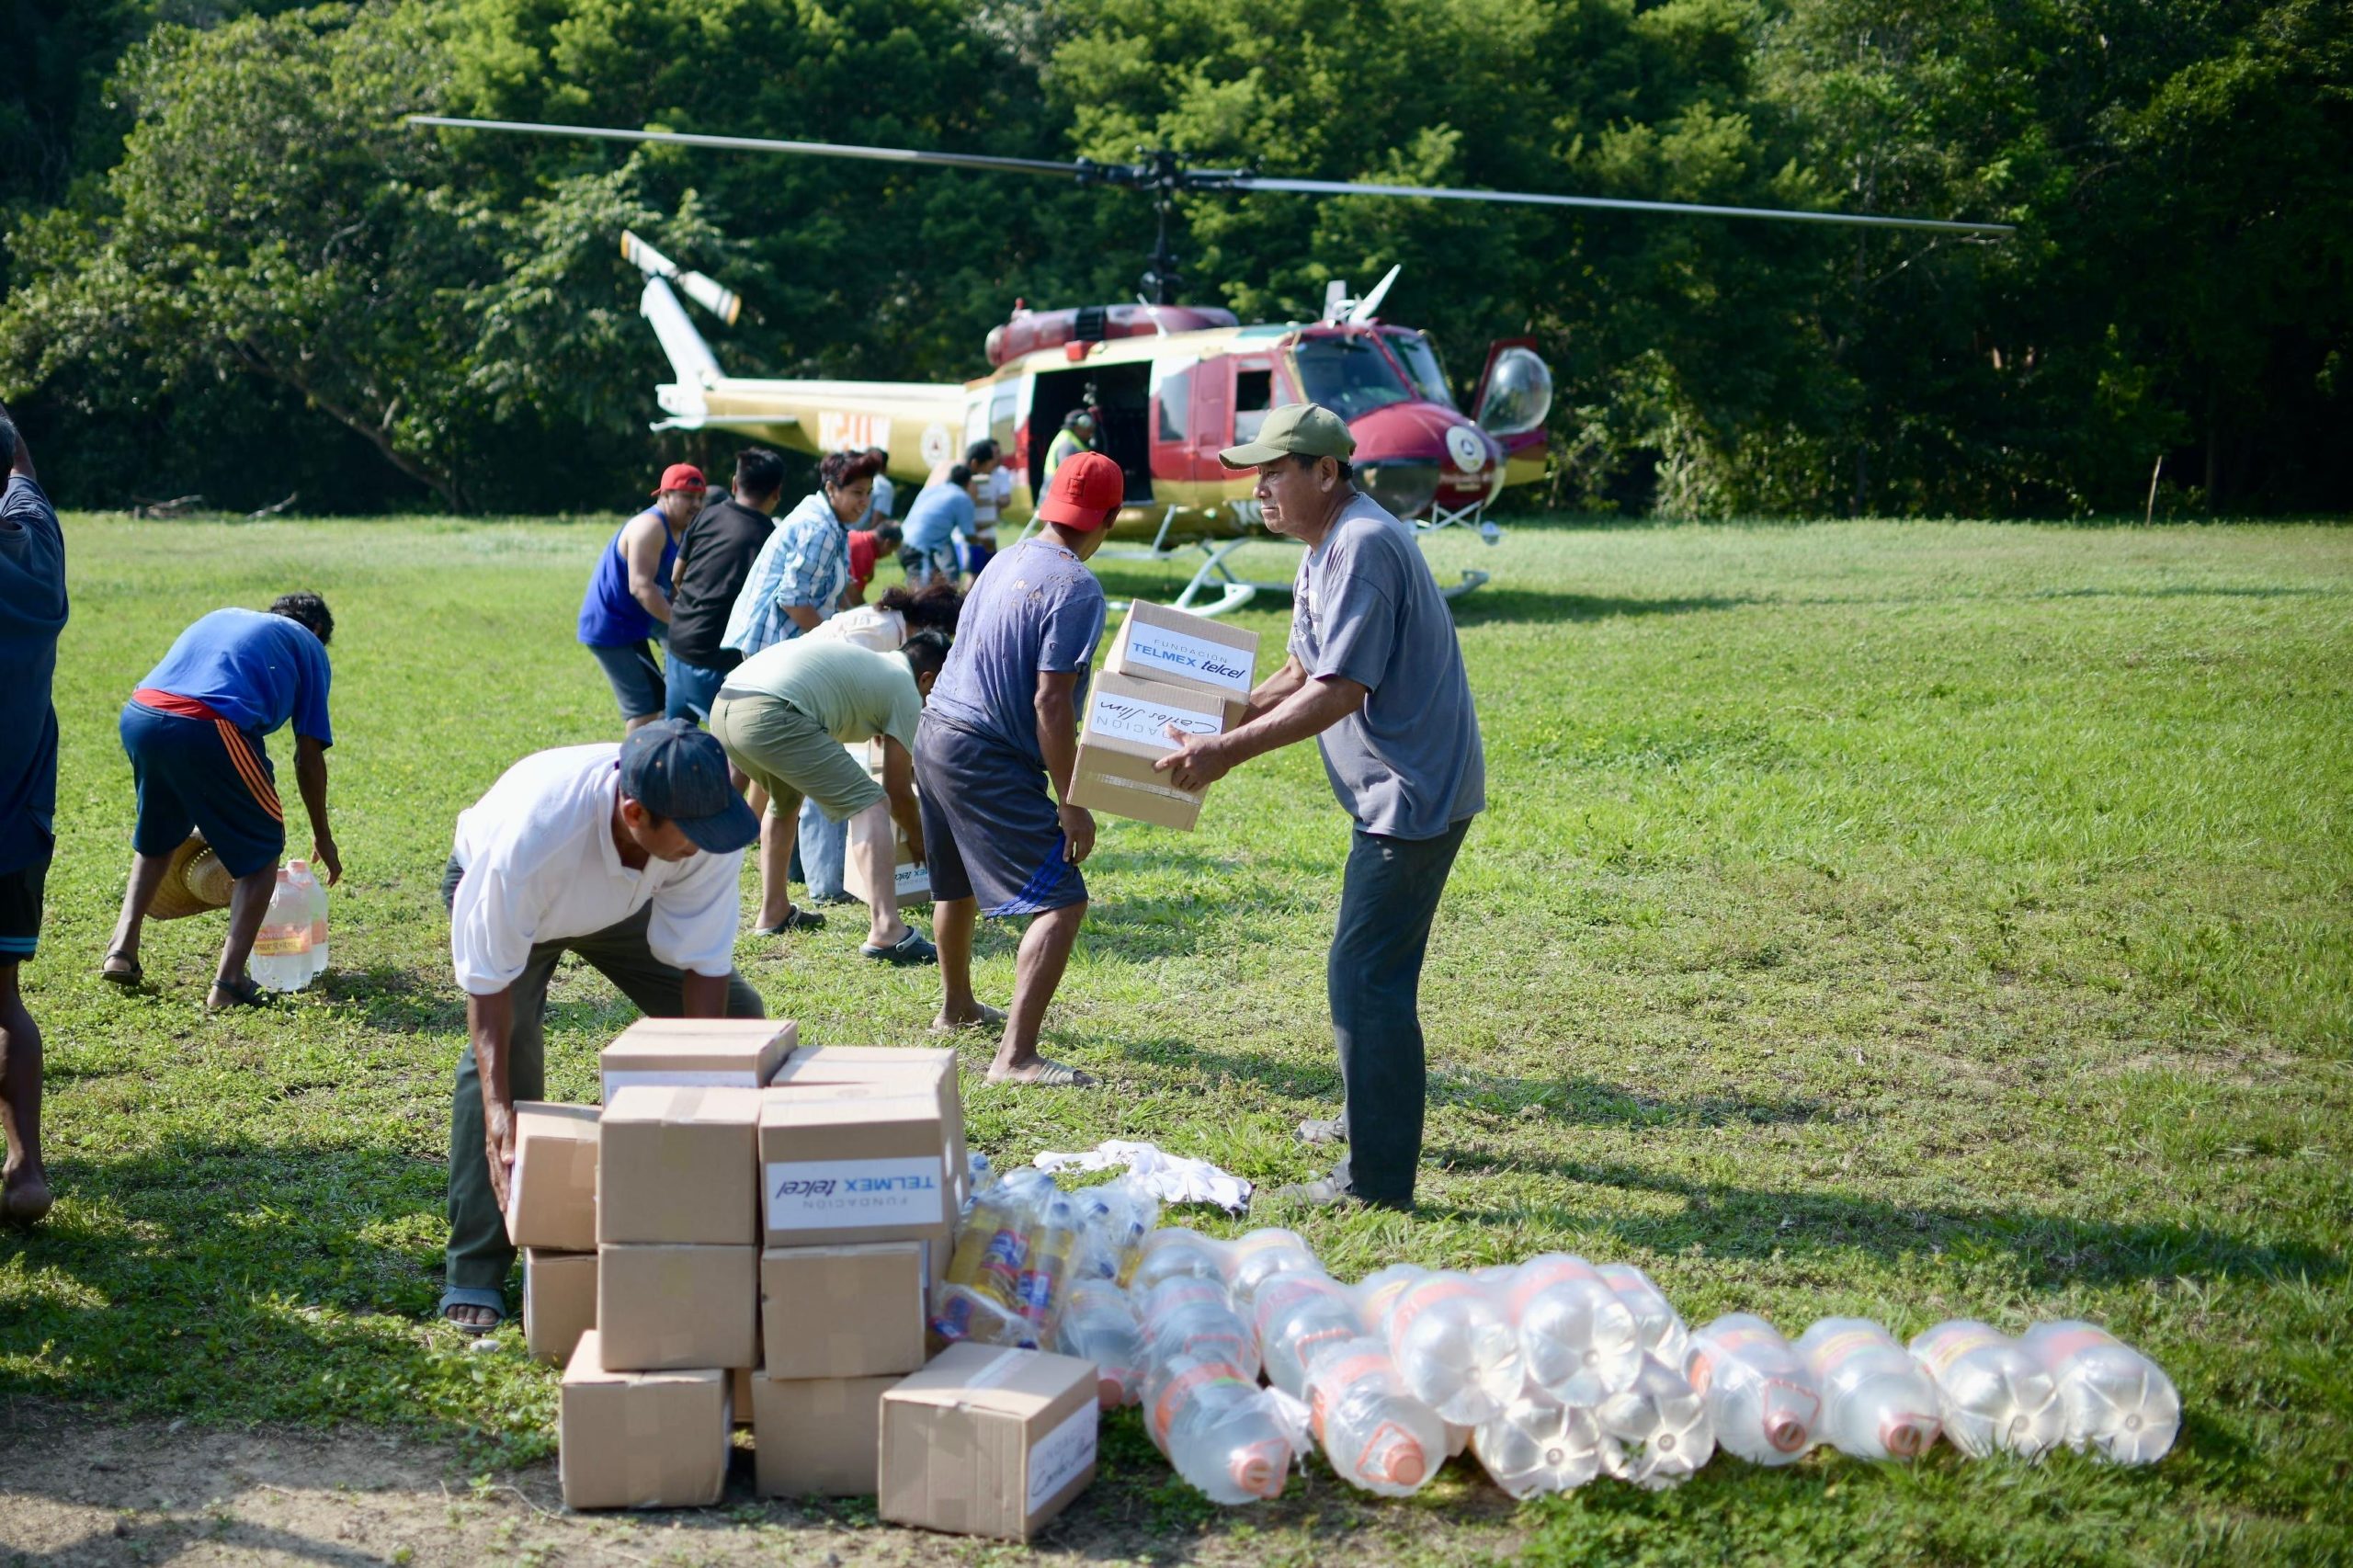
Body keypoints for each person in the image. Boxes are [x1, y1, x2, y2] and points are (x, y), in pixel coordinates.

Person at [1154, 403, 1483, 1212]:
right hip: (1395, 791)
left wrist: (1225, 753)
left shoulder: (1362, 545)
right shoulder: (1325, 547)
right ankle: (1365, 1113)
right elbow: (1302, 669)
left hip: (1411, 795)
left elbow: (1339, 691)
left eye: (1274, 473)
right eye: (1257, 476)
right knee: (1367, 971)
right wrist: (1218, 718)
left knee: (1366, 977)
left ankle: (1375, 1182)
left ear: (1326, 471)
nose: (1259, 489)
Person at [437, 721, 765, 1333]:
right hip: (516, 905)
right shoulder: (533, 841)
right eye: (695, 837)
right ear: (635, 813)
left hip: (622, 901)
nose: (709, 845)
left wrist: (705, 1095)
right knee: (509, 1062)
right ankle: (476, 1267)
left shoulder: (704, 822)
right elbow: (488, 985)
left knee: (738, 1025)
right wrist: (500, 1114)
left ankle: (728, 1206)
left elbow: (703, 964)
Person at [915, 449, 1124, 1086]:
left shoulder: (1004, 558)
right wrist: (1073, 801)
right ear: (1110, 518)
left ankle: (955, 1008)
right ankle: (1016, 1058)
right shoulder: (1077, 587)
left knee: (954, 886)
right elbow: (1050, 702)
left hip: (934, 731)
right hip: (985, 752)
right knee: (1062, 900)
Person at [104, 594, 343, 1011]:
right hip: (207, 724)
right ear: (318, 630)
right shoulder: (307, 643)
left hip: (142, 714)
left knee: (159, 834)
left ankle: (121, 950)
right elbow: (308, 757)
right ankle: (229, 983)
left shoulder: (224, 616)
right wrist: (323, 836)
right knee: (263, 848)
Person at [710, 633, 949, 965]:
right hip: (769, 711)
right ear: (927, 679)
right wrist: (921, 838)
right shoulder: (904, 689)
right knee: (872, 803)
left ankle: (773, 910)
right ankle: (887, 929)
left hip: (725, 706)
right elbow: (897, 791)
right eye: (937, 693)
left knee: (785, 801)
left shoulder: (877, 665)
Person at [724, 449, 880, 919]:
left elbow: (830, 594)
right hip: (773, 650)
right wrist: (837, 644)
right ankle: (805, 878)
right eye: (856, 493)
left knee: (773, 777)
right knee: (793, 766)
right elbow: (794, 600)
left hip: (776, 652)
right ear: (831, 488)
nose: (863, 502)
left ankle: (762, 867)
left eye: (869, 493)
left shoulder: (830, 523)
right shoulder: (818, 528)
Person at [0, 403, 63, 1228]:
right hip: (15, 828)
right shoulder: (36, 550)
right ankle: (28, 1171)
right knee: (5, 1000)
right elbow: (24, 475)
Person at [577, 462, 703, 732]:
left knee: (665, 696)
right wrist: (680, 624)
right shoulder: (650, 527)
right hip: (613, 624)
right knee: (646, 707)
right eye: (687, 497)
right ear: (665, 495)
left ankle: (663, 746)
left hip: (639, 619)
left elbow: (674, 585)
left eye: (699, 498)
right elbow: (641, 586)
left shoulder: (681, 530)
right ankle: (636, 759)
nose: (695, 505)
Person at [664, 448, 785, 725]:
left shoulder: (706, 515)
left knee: (674, 734)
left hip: (679, 641)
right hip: (717, 659)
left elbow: (676, 576)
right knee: (731, 743)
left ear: (734, 484)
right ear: (777, 492)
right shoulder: (770, 539)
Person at [897, 464, 975, 588]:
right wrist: (985, 545)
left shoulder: (933, 489)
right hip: (918, 548)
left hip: (902, 541)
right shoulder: (962, 498)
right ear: (969, 482)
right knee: (922, 591)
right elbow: (969, 535)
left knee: (933, 585)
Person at [962, 438, 1005, 579]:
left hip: (988, 536)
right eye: (989, 463)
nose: (992, 467)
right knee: (974, 577)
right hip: (975, 541)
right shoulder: (968, 485)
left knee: (991, 576)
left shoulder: (986, 480)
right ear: (975, 463)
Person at [845, 518, 903, 608]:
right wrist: (871, 611)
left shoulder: (862, 539)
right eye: (892, 550)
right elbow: (854, 596)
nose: (891, 554)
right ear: (887, 543)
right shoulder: (865, 554)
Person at [1041, 408, 1096, 486]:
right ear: (1077, 426)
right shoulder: (1068, 445)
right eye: (1089, 428)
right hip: (1055, 490)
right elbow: (1069, 475)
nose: (1091, 431)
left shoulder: (1067, 437)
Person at [861, 446, 896, 523]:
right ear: (885, 468)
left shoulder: (853, 479)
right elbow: (877, 523)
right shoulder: (884, 486)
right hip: (855, 531)